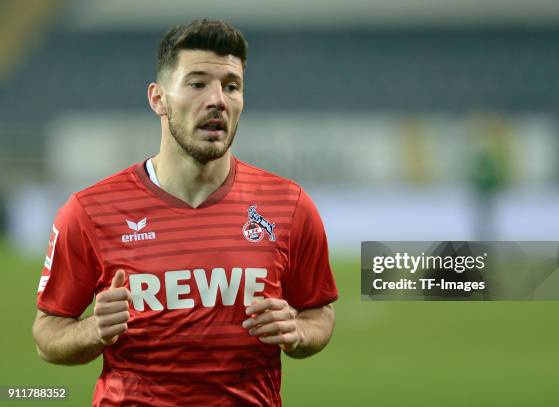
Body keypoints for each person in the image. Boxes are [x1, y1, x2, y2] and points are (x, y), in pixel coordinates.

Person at [32, 19, 338, 406]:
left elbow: (319, 312)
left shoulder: (288, 206)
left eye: (231, 86)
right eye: (197, 84)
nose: (217, 100)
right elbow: (47, 335)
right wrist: (93, 330)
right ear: (158, 98)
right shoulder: (90, 211)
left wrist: (298, 332)